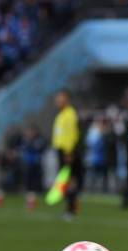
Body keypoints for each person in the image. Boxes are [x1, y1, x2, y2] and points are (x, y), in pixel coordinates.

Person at [52, 89, 82, 219]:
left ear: (67, 99)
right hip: (62, 151)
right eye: (57, 98)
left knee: (69, 182)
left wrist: (69, 153)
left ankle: (71, 210)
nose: (58, 100)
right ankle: (70, 208)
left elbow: (71, 135)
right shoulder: (62, 114)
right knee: (65, 182)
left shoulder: (70, 115)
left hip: (67, 152)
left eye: (61, 98)